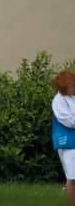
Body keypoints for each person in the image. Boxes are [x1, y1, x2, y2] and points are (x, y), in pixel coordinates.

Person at [52, 69, 75, 206]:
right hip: (68, 143)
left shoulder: (72, 98)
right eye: (72, 83)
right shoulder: (58, 100)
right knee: (72, 178)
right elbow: (68, 120)